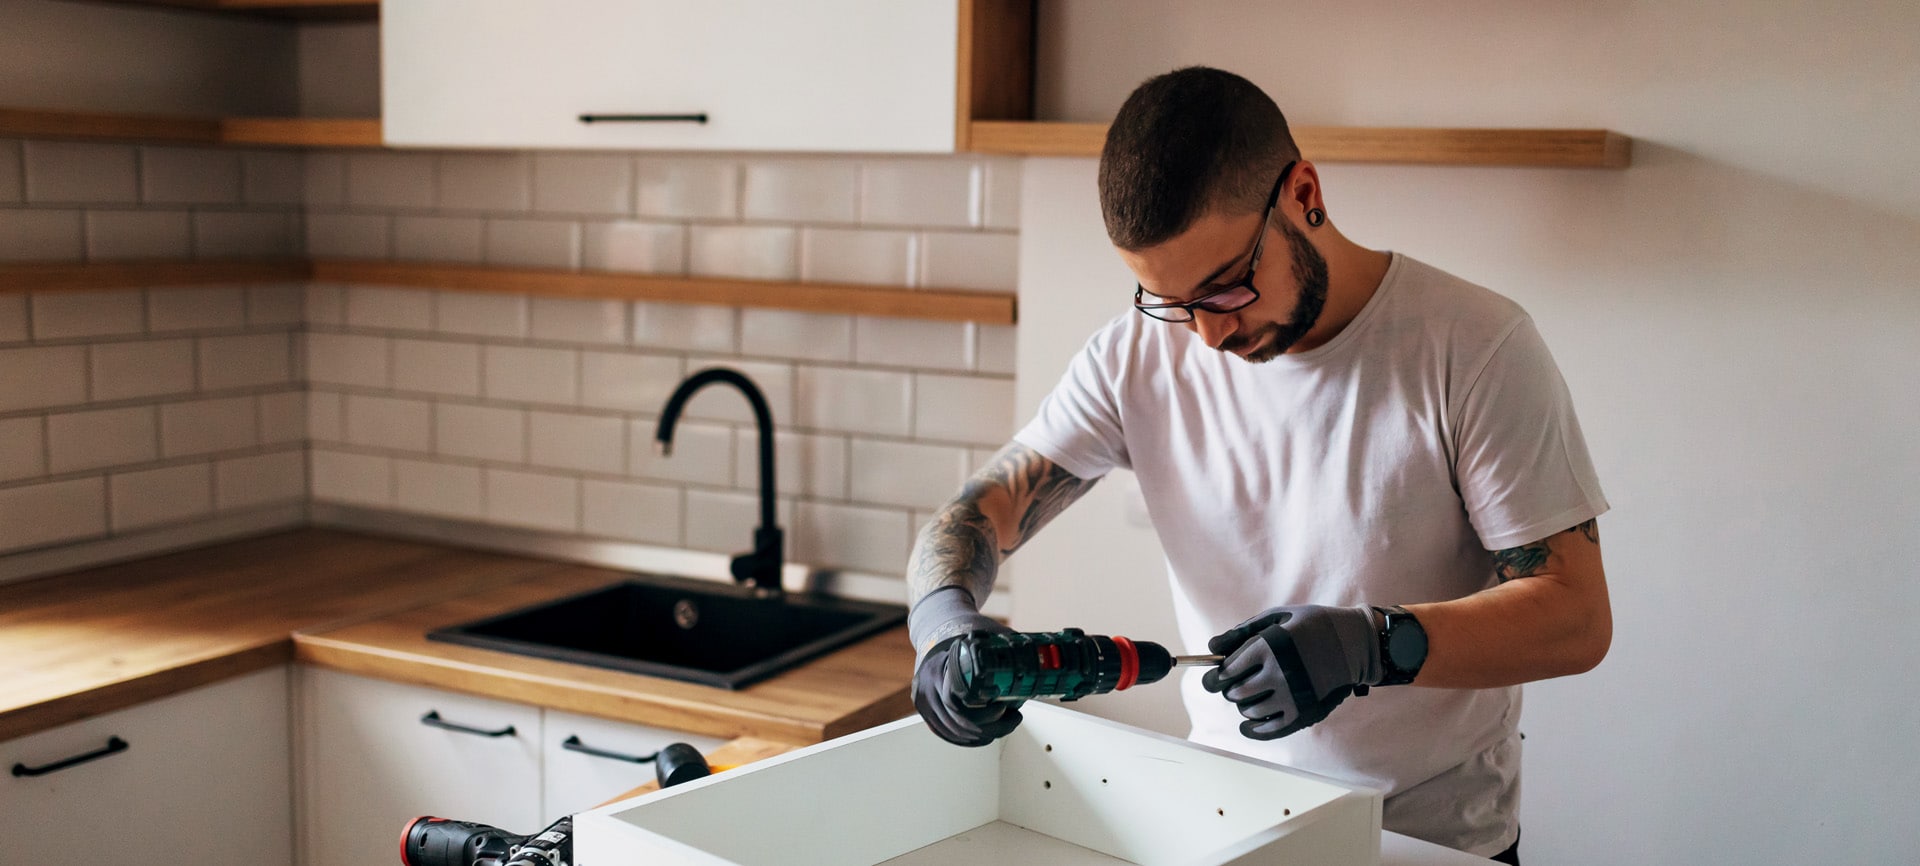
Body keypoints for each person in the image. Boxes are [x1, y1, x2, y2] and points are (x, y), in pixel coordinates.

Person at [904, 67, 1611, 864]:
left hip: (1425, 839)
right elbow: (977, 512)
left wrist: (1371, 645)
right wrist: (941, 628)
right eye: (1170, 301)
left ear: (1304, 193)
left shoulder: (1473, 347)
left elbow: (1576, 618)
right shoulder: (1137, 357)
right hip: (1226, 822)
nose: (1205, 335)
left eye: (1227, 288)